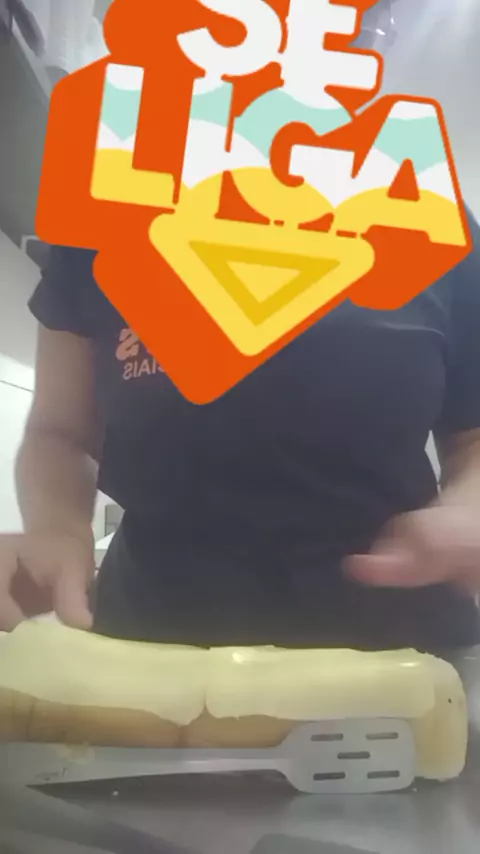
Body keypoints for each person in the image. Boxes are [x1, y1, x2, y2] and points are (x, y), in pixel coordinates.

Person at [1, 207, 480, 653]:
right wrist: (57, 528)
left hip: (402, 646)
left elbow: (472, 440)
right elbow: (61, 431)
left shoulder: (433, 215)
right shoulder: (103, 208)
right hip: (155, 641)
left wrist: (466, 509)